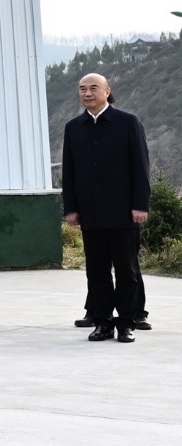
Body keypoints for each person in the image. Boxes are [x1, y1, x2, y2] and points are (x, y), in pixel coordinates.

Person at [62, 73, 150, 343]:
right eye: (82, 89)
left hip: (123, 211)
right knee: (96, 271)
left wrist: (140, 205)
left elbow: (141, 167)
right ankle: (102, 322)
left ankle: (126, 323)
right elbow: (69, 171)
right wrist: (71, 208)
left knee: (126, 270)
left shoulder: (128, 122)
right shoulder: (73, 127)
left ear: (107, 91)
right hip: (90, 212)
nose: (87, 93)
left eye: (93, 88)